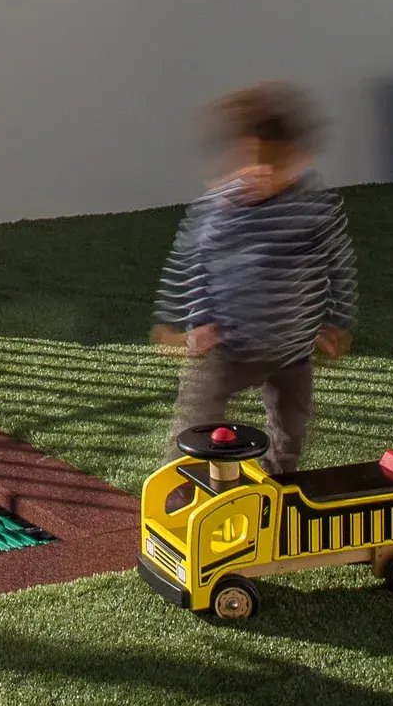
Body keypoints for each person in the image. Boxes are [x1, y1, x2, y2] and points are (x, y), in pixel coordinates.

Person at [150, 82, 357, 476]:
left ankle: (276, 489)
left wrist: (335, 321)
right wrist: (190, 325)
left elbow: (337, 266)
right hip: (228, 345)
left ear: (298, 159)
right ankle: (180, 492)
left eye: (276, 164)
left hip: (293, 350)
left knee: (290, 430)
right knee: (195, 422)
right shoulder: (222, 208)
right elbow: (193, 263)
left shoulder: (314, 209)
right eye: (252, 161)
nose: (262, 173)